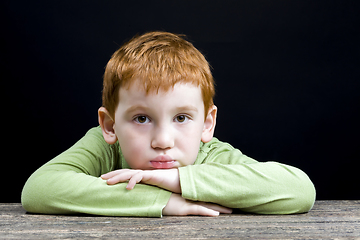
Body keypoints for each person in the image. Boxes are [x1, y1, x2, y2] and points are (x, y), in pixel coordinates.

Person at [21, 31, 316, 217]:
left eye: (181, 118)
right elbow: (39, 190)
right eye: (141, 118)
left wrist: (179, 181)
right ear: (110, 125)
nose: (163, 140)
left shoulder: (211, 155)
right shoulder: (103, 144)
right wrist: (164, 201)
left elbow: (300, 190)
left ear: (206, 124)